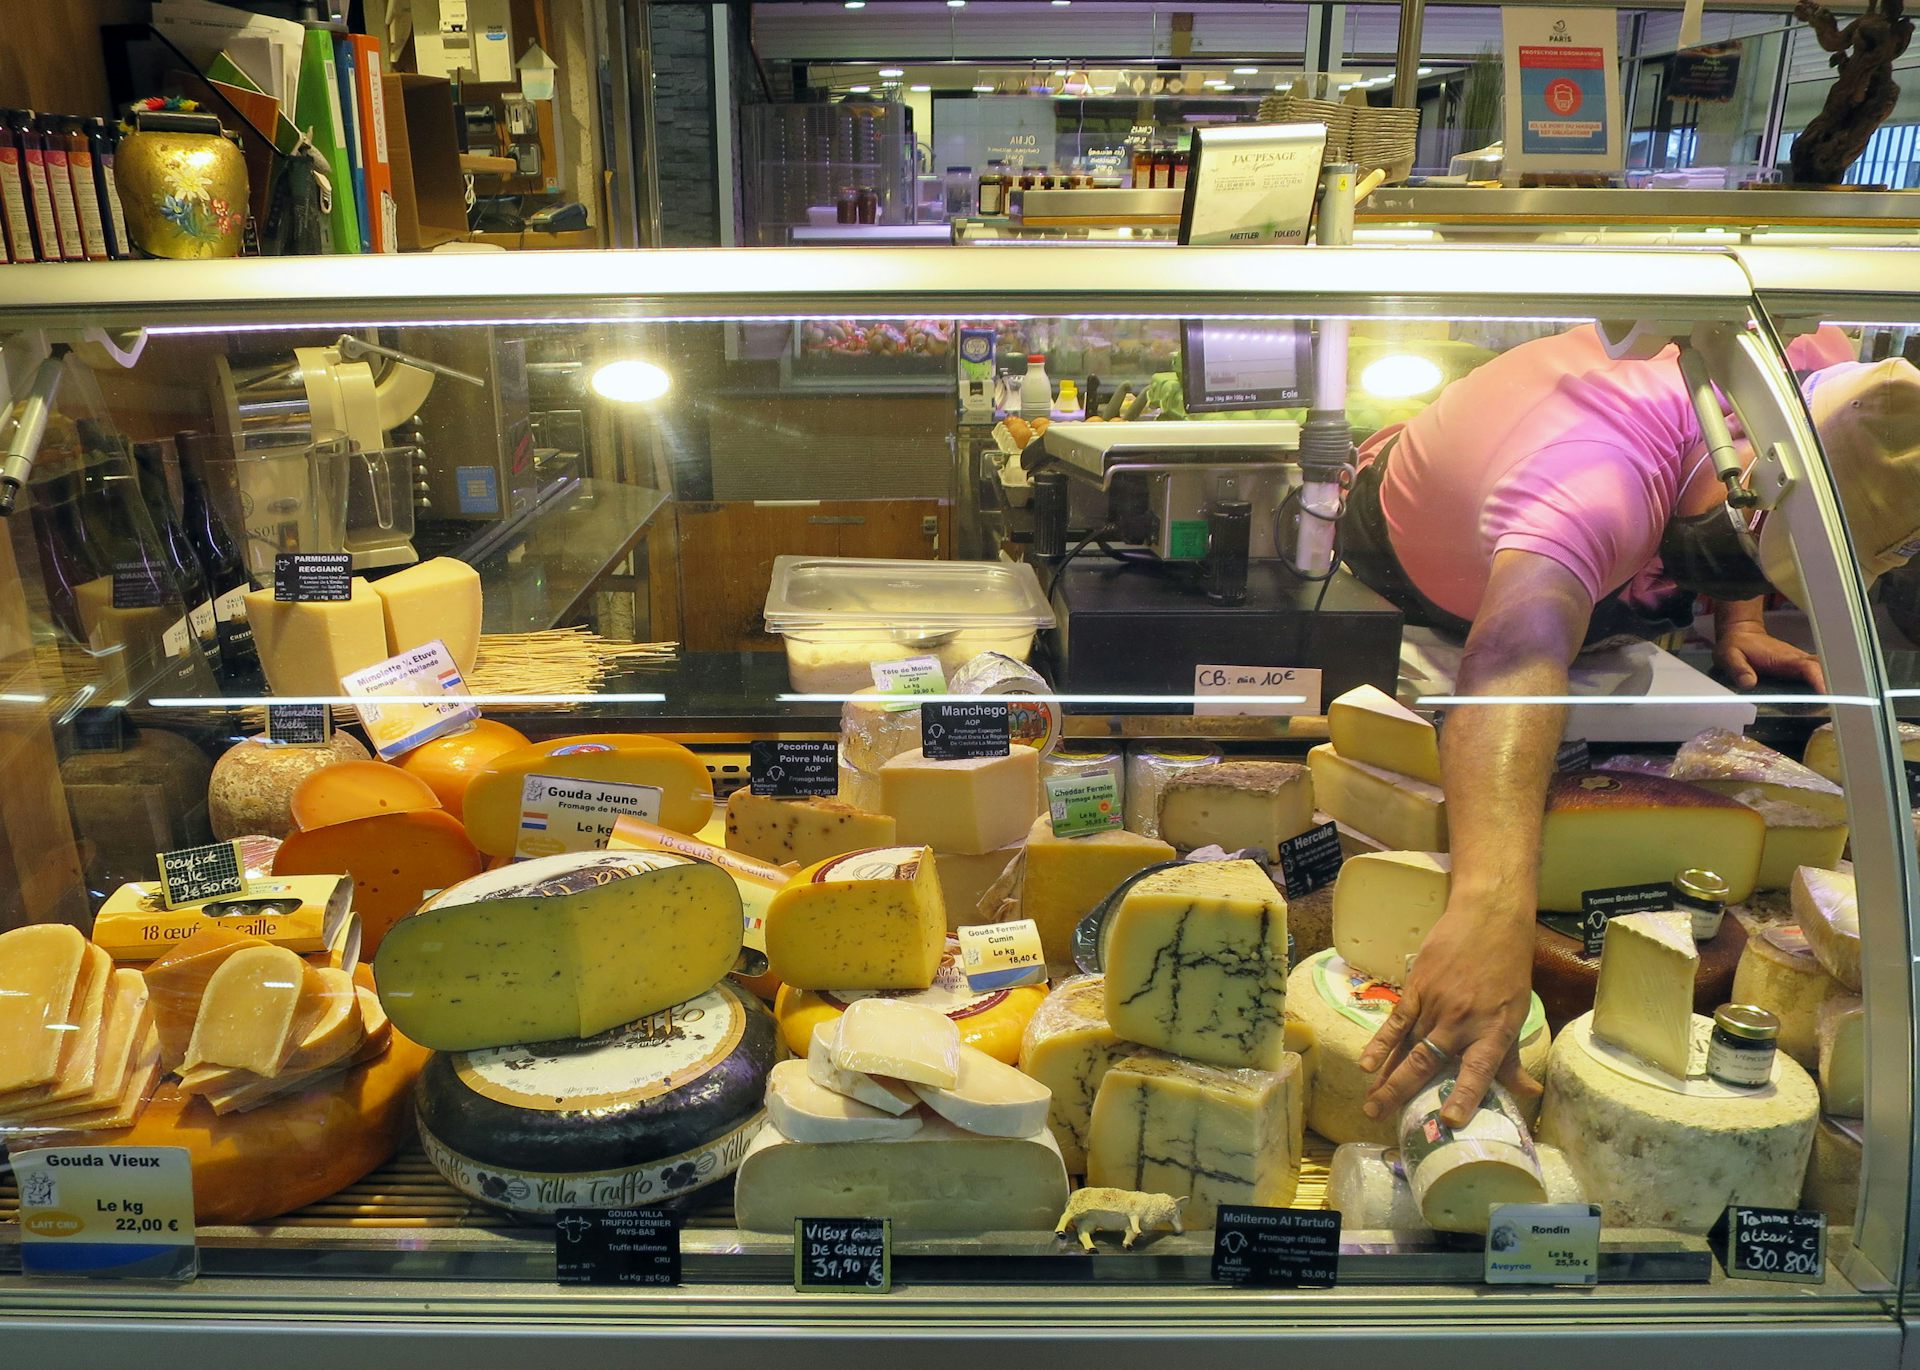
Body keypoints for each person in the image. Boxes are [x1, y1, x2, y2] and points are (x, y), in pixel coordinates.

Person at [1337, 324, 1920, 1129]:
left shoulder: (1828, 376)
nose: (1736, 565)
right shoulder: (1592, 477)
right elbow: (1513, 652)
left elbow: (1755, 494)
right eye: (1740, 554)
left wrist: (1737, 619)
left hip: (1604, 519)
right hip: (1414, 547)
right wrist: (1488, 912)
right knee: (1547, 592)